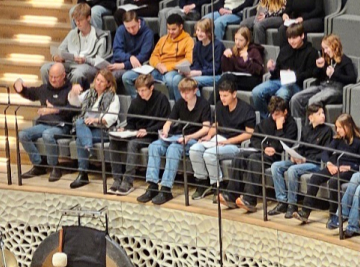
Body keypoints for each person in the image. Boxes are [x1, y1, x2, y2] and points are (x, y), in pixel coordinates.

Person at [138, 77, 213, 205]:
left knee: (173, 149)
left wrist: (189, 137)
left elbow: (206, 128)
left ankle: (166, 188)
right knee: (154, 146)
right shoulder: (179, 103)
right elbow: (169, 121)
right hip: (178, 137)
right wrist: (165, 130)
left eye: (187, 92)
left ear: (195, 91)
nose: (184, 95)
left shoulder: (203, 104)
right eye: (182, 92)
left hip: (194, 139)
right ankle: (152, 185)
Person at [224, 96, 297, 213]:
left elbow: (285, 145)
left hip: (277, 155)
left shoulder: (291, 125)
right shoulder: (268, 121)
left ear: (285, 112)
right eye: (272, 114)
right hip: (262, 151)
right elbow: (254, 138)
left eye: (277, 114)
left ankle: (249, 199)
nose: (274, 117)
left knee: (254, 159)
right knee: (239, 156)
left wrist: (279, 129)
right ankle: (231, 196)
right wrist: (264, 148)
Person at [188, 77, 255, 200]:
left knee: (209, 154)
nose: (222, 98)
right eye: (220, 95)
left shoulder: (246, 109)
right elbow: (216, 124)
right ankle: (202, 182)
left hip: (234, 145)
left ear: (234, 94)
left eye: (225, 95)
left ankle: (217, 186)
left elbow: (249, 133)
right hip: (218, 139)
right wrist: (208, 136)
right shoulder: (219, 105)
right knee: (194, 149)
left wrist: (228, 141)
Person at [296, 113, 360, 226]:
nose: (337, 130)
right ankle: (305, 212)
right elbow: (325, 153)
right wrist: (329, 164)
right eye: (336, 127)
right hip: (336, 166)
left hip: (349, 170)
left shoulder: (359, 142)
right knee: (315, 177)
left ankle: (333, 215)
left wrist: (350, 167)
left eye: (340, 127)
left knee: (334, 182)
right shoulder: (338, 139)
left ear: (348, 127)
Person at [108, 73, 170, 195]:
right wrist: (125, 129)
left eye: (143, 90)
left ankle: (128, 181)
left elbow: (164, 122)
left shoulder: (161, 99)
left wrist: (148, 130)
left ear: (151, 88)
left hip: (152, 135)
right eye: (138, 90)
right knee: (114, 141)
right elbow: (131, 121)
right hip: (136, 133)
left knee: (133, 144)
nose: (140, 93)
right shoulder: (136, 101)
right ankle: (117, 179)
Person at [268, 104, 334, 217]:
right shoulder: (306, 129)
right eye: (319, 114)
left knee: (292, 170)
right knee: (276, 166)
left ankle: (292, 204)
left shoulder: (327, 131)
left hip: (314, 163)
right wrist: (295, 156)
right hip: (302, 160)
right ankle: (282, 201)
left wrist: (305, 159)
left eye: (323, 113)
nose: (323, 116)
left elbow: (325, 153)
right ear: (311, 117)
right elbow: (301, 147)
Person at [15, 64, 72, 181]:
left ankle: (55, 167)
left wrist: (54, 110)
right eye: (51, 76)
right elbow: (28, 92)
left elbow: (74, 109)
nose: (53, 80)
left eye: (56, 77)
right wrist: (18, 85)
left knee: (47, 135)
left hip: (62, 125)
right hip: (44, 124)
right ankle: (39, 165)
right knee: (23, 134)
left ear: (63, 75)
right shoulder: (44, 89)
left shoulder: (70, 90)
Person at [66, 69, 121, 188]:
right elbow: (74, 102)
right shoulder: (89, 93)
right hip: (88, 129)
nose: (98, 83)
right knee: (80, 123)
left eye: (102, 81)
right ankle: (88, 148)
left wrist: (96, 120)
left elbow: (112, 117)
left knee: (79, 138)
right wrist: (73, 91)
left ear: (108, 84)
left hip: (104, 130)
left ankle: (83, 174)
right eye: (97, 80)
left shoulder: (113, 97)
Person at [251, 23, 320, 115]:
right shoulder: (285, 50)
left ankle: (278, 118)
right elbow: (277, 70)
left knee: (281, 94)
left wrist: (293, 75)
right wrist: (272, 68)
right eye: (289, 38)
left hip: (296, 84)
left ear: (302, 36)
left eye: (294, 38)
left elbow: (311, 72)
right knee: (256, 92)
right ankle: (268, 118)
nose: (292, 41)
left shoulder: (311, 52)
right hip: (279, 80)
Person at [122, 13, 193, 97]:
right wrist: (158, 64)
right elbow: (153, 56)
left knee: (170, 80)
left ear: (181, 27)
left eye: (173, 29)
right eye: (168, 29)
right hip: (156, 69)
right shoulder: (163, 39)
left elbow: (188, 60)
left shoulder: (188, 40)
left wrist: (168, 67)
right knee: (127, 77)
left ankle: (171, 103)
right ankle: (139, 100)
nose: (170, 32)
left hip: (173, 71)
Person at [289, 34, 357, 120]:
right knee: (296, 99)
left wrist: (334, 74)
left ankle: (310, 126)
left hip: (337, 89)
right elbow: (316, 75)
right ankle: (299, 125)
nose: (325, 51)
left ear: (334, 46)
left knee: (313, 101)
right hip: (323, 86)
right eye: (324, 49)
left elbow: (352, 79)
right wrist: (319, 67)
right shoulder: (328, 60)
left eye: (326, 48)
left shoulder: (345, 60)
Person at [46, 3, 111, 87]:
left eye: (80, 20)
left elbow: (100, 62)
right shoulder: (73, 33)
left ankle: (73, 95)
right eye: (75, 20)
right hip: (70, 63)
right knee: (46, 68)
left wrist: (85, 60)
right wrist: (58, 57)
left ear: (88, 18)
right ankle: (49, 93)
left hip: (88, 66)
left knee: (77, 74)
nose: (77, 23)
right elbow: (60, 50)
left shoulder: (100, 36)